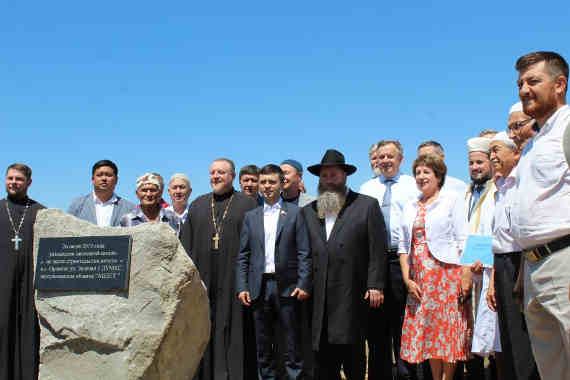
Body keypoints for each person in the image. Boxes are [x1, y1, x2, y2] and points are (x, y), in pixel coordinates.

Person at [302, 149, 386, 380]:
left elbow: (377, 249)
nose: (329, 181)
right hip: (318, 298)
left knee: (353, 358)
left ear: (345, 176)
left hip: (352, 293)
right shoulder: (308, 212)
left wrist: (376, 284)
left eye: (334, 175)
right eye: (324, 176)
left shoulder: (366, 205)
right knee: (322, 361)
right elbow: (303, 254)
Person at [511, 51, 570, 379]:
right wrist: (524, 269)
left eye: (533, 81)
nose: (523, 89)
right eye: (520, 83)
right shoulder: (533, 144)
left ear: (560, 84)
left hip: (565, 264)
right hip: (534, 270)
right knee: (552, 368)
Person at [180, 158, 258, 380]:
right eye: (212, 172)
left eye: (221, 173)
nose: (215, 176)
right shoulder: (198, 205)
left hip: (236, 284)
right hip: (204, 283)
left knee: (236, 334)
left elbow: (256, 247)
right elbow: (185, 247)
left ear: (232, 176)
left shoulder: (247, 205)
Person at [398, 153, 472, 380]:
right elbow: (403, 245)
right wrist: (406, 278)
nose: (421, 176)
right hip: (420, 278)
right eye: (418, 173)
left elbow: (463, 239)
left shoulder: (451, 199)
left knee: (447, 330)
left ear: (438, 176)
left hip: (447, 274)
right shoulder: (410, 205)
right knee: (429, 331)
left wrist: (466, 275)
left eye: (426, 172)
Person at [237, 164, 311, 380]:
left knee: (291, 347)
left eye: (272, 182)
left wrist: (303, 282)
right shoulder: (251, 216)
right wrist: (241, 286)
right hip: (258, 289)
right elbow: (243, 255)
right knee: (263, 349)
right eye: (263, 182)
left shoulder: (296, 213)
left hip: (287, 288)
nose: (267, 186)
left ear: (281, 184)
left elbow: (304, 251)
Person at [359, 140, 419, 380]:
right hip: (374, 263)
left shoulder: (413, 185)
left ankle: (407, 374)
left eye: (390, 156)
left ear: (401, 159)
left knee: (404, 324)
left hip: (404, 261)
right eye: (380, 157)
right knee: (376, 328)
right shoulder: (366, 188)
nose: (384, 161)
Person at [486, 131, 540, 380]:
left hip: (521, 261)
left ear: (516, 153)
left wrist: (519, 274)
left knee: (522, 335)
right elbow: (498, 240)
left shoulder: (523, 182)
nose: (492, 156)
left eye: (497, 150)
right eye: (490, 152)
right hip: (501, 264)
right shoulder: (501, 187)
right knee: (505, 336)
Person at [460, 137, 502, 380]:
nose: (475, 167)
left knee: (493, 332)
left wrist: (483, 260)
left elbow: (496, 231)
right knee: (471, 330)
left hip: (490, 269)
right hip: (467, 270)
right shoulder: (465, 194)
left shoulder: (497, 190)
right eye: (471, 163)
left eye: (480, 162)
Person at [0, 163, 45, 380]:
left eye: (18, 179)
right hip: (2, 282)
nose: (13, 183)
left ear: (29, 182)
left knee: (29, 332)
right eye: (10, 178)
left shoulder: (40, 212)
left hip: (29, 283)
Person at [68, 159, 135, 226]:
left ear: (116, 180)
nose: (104, 178)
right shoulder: (78, 205)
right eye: (99, 175)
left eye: (108, 175)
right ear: (93, 179)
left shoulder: (129, 208)